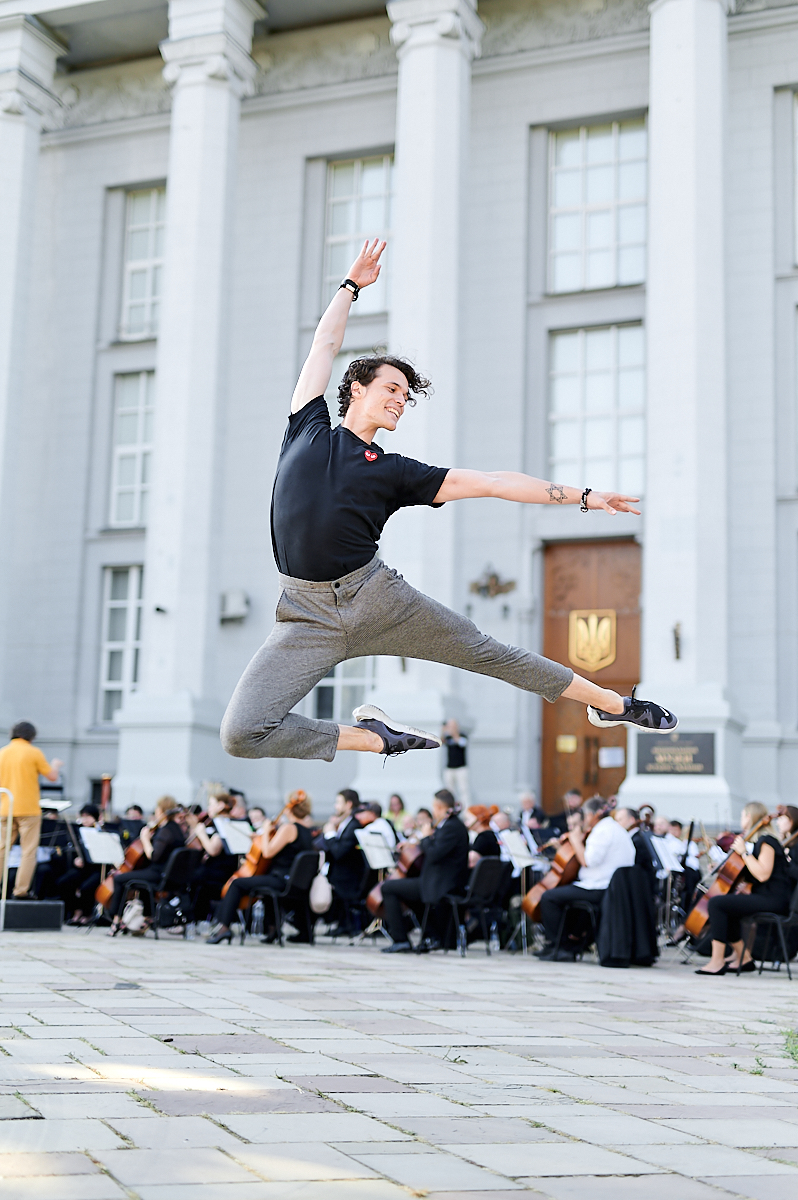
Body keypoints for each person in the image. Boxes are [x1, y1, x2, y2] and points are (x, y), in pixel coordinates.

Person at [219, 239, 677, 772]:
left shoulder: (394, 471)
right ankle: (375, 739)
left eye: (405, 396)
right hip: (305, 614)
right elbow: (324, 344)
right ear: (357, 388)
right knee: (241, 733)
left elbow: (492, 482)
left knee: (490, 653)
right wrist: (350, 287)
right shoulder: (307, 425)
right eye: (392, 388)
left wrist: (584, 496)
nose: (400, 400)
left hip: (375, 599)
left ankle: (614, 705)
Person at [696, 802, 793, 976]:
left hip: (774, 900)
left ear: (749, 816)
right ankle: (744, 957)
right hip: (766, 897)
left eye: (742, 815)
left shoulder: (767, 841)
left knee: (717, 904)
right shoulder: (760, 842)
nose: (741, 819)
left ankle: (717, 961)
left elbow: (763, 874)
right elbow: (752, 872)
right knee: (728, 909)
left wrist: (744, 853)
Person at [207, 792, 315, 944]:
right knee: (263, 882)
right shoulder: (306, 830)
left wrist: (264, 830)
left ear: (289, 808)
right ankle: (273, 930)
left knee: (236, 883)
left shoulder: (289, 828)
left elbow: (268, 852)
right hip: (294, 881)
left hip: (282, 880)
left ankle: (224, 928)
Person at [537, 797, 636, 962]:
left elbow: (588, 861)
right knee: (564, 893)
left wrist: (576, 841)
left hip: (599, 887)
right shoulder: (615, 828)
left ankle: (560, 947)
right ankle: (567, 944)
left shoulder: (602, 831)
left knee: (549, 898)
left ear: (590, 814)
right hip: (611, 887)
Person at [381, 789, 469, 952]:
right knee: (406, 894)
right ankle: (431, 935)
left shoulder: (452, 827)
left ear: (440, 807)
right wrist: (415, 843)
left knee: (388, 888)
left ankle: (401, 940)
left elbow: (434, 854)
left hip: (441, 884)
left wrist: (426, 837)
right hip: (433, 881)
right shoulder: (448, 825)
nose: (433, 811)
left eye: (434, 807)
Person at [0, 722, 63, 900]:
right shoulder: (33, 752)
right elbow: (52, 777)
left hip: (6, 806)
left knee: (2, 849)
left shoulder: (2, 752)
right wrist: (55, 765)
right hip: (28, 808)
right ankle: (20, 891)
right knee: (28, 851)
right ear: (31, 736)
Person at [105, 797, 185, 933]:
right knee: (140, 878)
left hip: (159, 874)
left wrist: (145, 839)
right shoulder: (176, 829)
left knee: (119, 879)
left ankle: (116, 921)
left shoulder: (165, 831)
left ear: (162, 810)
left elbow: (153, 856)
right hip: (171, 876)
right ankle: (148, 917)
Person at [184, 793, 240, 924]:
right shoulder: (220, 822)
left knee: (191, 878)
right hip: (218, 868)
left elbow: (213, 850)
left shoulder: (223, 824)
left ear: (220, 805)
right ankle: (195, 918)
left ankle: (197, 919)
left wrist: (201, 833)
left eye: (211, 804)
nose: (208, 808)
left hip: (221, 871)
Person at [321, 788, 366, 935]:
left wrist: (330, 834)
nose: (335, 806)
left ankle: (346, 924)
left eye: (338, 802)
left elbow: (339, 852)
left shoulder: (354, 824)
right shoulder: (344, 822)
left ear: (348, 804)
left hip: (348, 877)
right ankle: (341, 923)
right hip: (339, 873)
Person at [60, 805, 103, 925]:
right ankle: (75, 910)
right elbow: (73, 850)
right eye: (83, 817)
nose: (85, 820)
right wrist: (76, 860)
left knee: (86, 888)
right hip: (83, 868)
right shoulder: (78, 831)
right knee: (64, 882)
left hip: (97, 869)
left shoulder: (101, 832)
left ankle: (86, 913)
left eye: (88, 816)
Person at [442, 720, 470, 808]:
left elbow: (462, 743)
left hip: (461, 768)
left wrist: (454, 734)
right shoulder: (448, 737)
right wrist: (443, 731)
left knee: (463, 790)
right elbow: (441, 742)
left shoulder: (462, 736)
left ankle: (466, 809)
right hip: (450, 768)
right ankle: (451, 808)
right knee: (450, 791)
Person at [464, 805, 501, 869]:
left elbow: (471, 860)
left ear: (479, 819)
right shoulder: (488, 835)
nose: (466, 822)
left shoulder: (484, 837)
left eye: (468, 819)